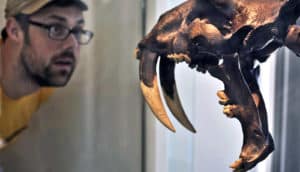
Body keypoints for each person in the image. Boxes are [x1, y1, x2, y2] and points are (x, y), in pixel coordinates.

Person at [0, 0, 94, 149]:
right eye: (56, 28)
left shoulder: (46, 78)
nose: (73, 44)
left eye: (77, 31)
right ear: (14, 30)